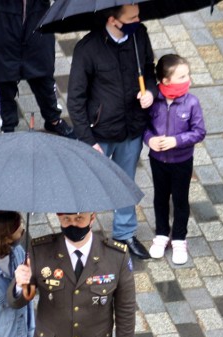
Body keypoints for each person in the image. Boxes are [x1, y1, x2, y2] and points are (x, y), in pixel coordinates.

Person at [67, 4, 157, 260]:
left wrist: (150, 92)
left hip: (131, 129)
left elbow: (150, 71)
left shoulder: (140, 35)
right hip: (99, 133)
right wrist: (88, 139)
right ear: (114, 20)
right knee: (86, 184)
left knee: (125, 182)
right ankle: (78, 233)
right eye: (133, 17)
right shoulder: (88, 49)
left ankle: (125, 233)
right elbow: (75, 99)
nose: (139, 20)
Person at [144, 54, 206, 265]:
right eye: (181, 76)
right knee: (160, 197)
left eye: (187, 75)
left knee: (180, 199)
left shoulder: (191, 102)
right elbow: (142, 126)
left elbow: (199, 132)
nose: (187, 80)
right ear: (165, 81)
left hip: (182, 161)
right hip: (158, 160)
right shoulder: (153, 101)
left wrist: (176, 141)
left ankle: (179, 238)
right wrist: (150, 140)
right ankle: (161, 234)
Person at [0, 0, 74, 137]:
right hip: (5, 27)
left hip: (37, 25)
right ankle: (7, 130)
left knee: (44, 80)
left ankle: (53, 120)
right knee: (4, 83)